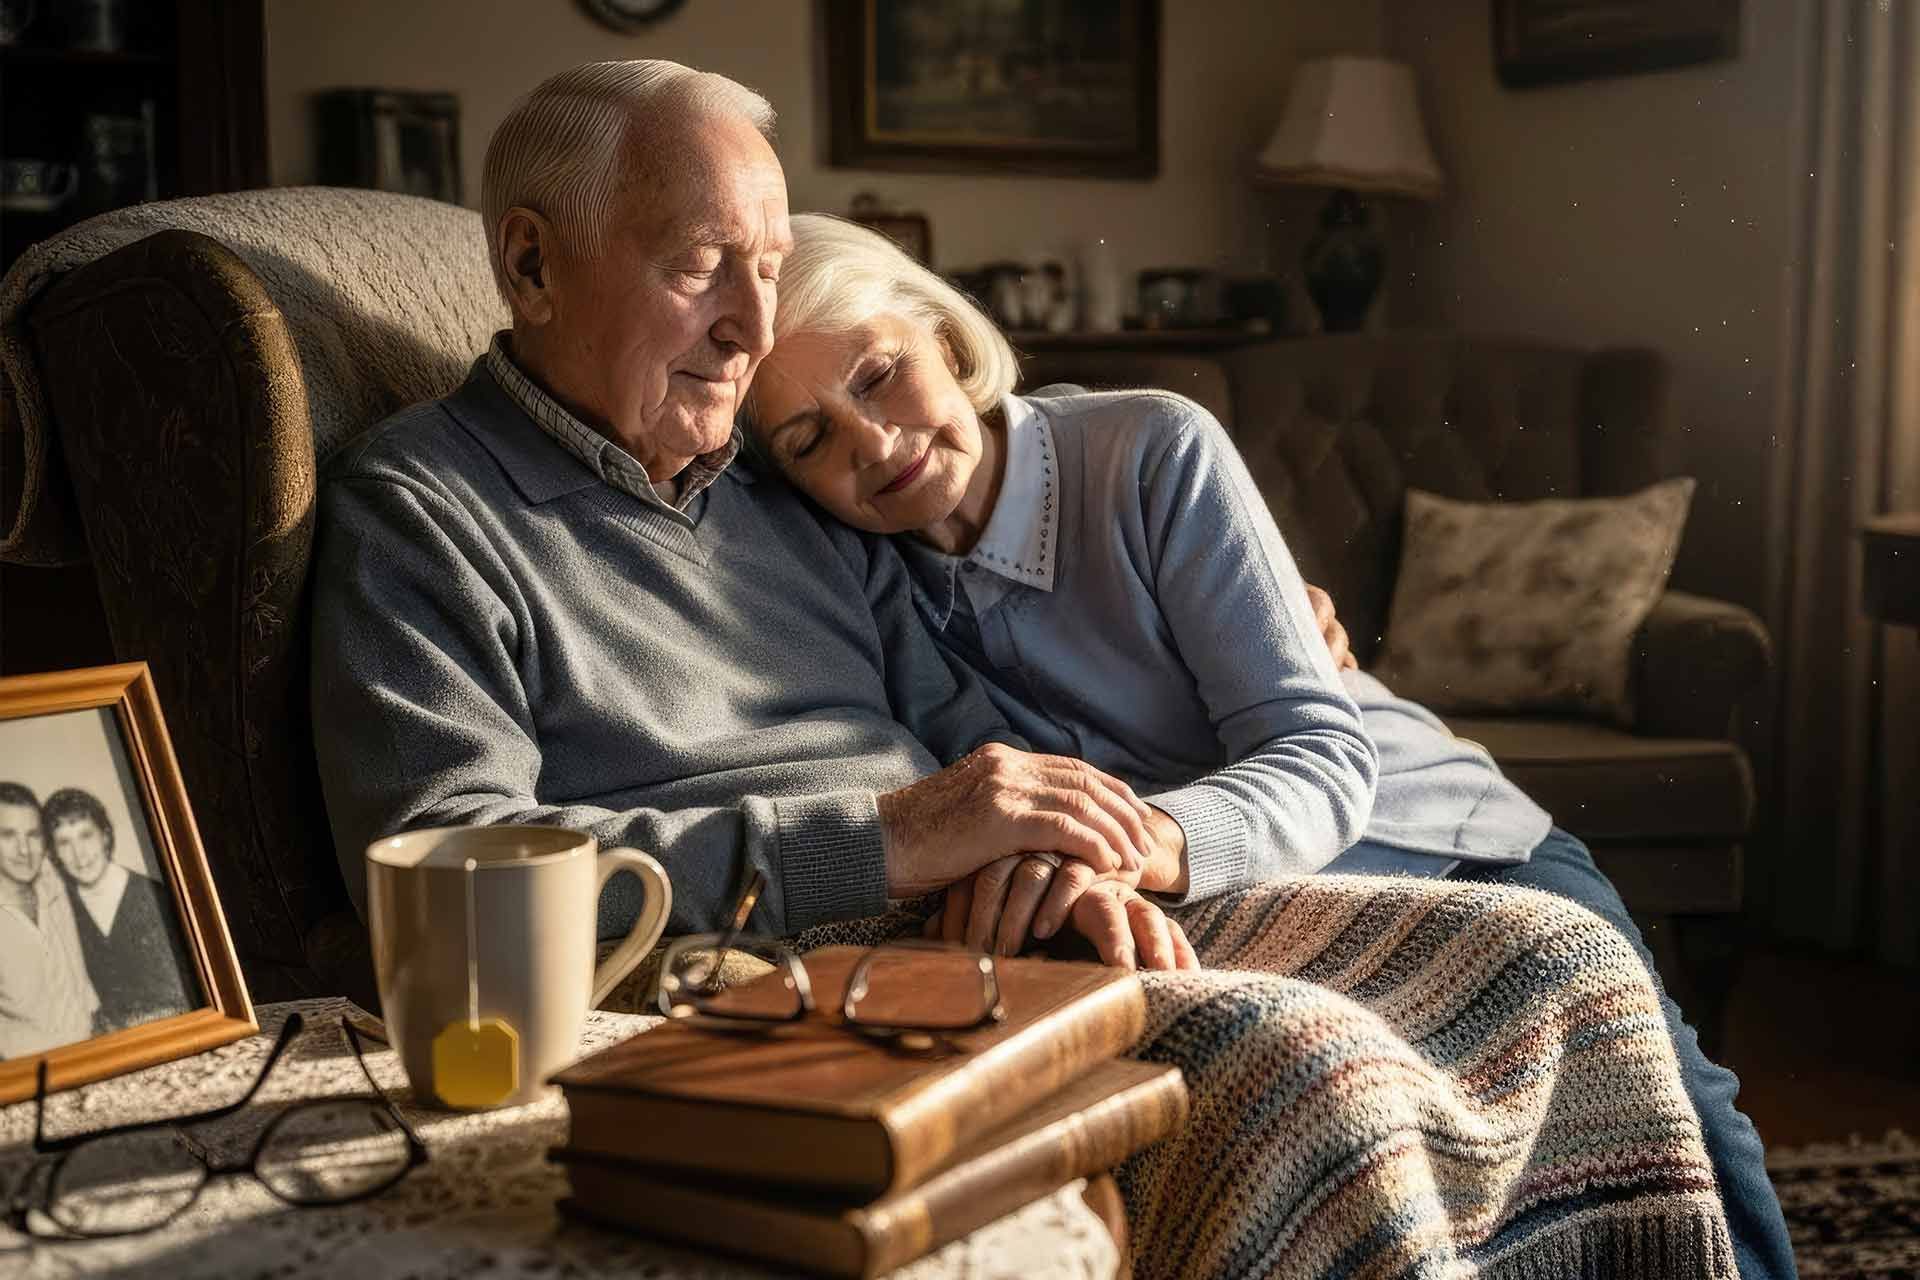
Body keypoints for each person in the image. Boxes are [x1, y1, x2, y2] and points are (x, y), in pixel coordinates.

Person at [311, 61, 1743, 1277]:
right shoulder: (424, 509)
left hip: (990, 918)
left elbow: (971, 730)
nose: (752, 334)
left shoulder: (776, 491)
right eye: (701, 269)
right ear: (531, 263)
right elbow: (447, 871)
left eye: (766, 267)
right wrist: (890, 843)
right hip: (771, 970)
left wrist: (1048, 859)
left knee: (1564, 960)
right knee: (1314, 1073)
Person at [738, 211, 1795, 1280]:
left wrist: (1136, 835)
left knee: (1676, 1096)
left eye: (878, 376)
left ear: (948, 342)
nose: (871, 443)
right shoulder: (867, 577)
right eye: (809, 438)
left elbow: (1324, 754)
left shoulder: (1149, 447)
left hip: (1421, 824)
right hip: (1234, 888)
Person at [43, 788, 196, 1032]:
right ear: (53, 853)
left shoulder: (157, 897)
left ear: (104, 835)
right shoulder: (61, 910)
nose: (78, 854)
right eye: (64, 842)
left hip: (178, 1031)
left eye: (85, 835)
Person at [0, 782, 97, 1056]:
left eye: (33, 835)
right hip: (29, 1072)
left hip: (94, 1047)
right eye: (7, 835)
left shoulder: (52, 878)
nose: (24, 850)